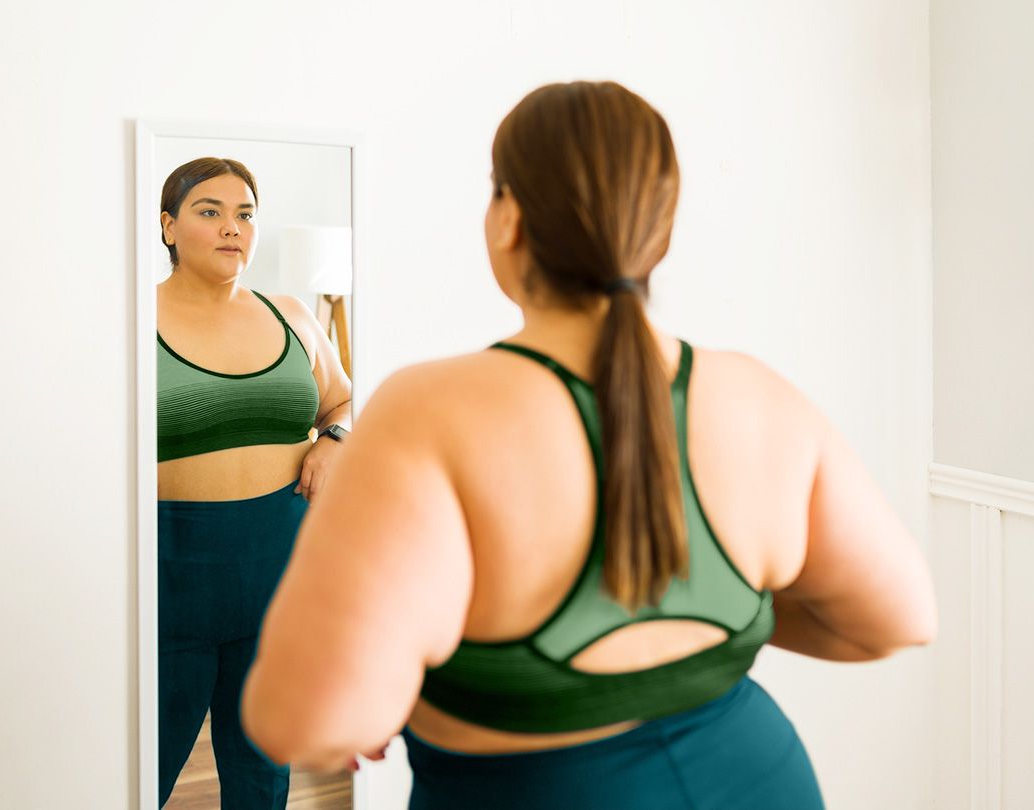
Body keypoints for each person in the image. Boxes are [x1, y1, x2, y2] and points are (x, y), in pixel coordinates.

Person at [241, 81, 936, 809]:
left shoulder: (427, 412)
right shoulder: (758, 397)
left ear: (508, 218)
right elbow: (897, 620)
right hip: (760, 780)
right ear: (657, 231)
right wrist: (701, 622)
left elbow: (305, 721)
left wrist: (403, 670)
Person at [155, 157, 353, 809]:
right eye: (208, 211)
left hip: (277, 570)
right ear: (168, 226)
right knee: (145, 764)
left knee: (264, 769)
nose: (231, 227)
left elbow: (344, 404)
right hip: (169, 573)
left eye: (244, 214)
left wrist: (333, 442)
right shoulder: (130, 320)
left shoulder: (293, 314)